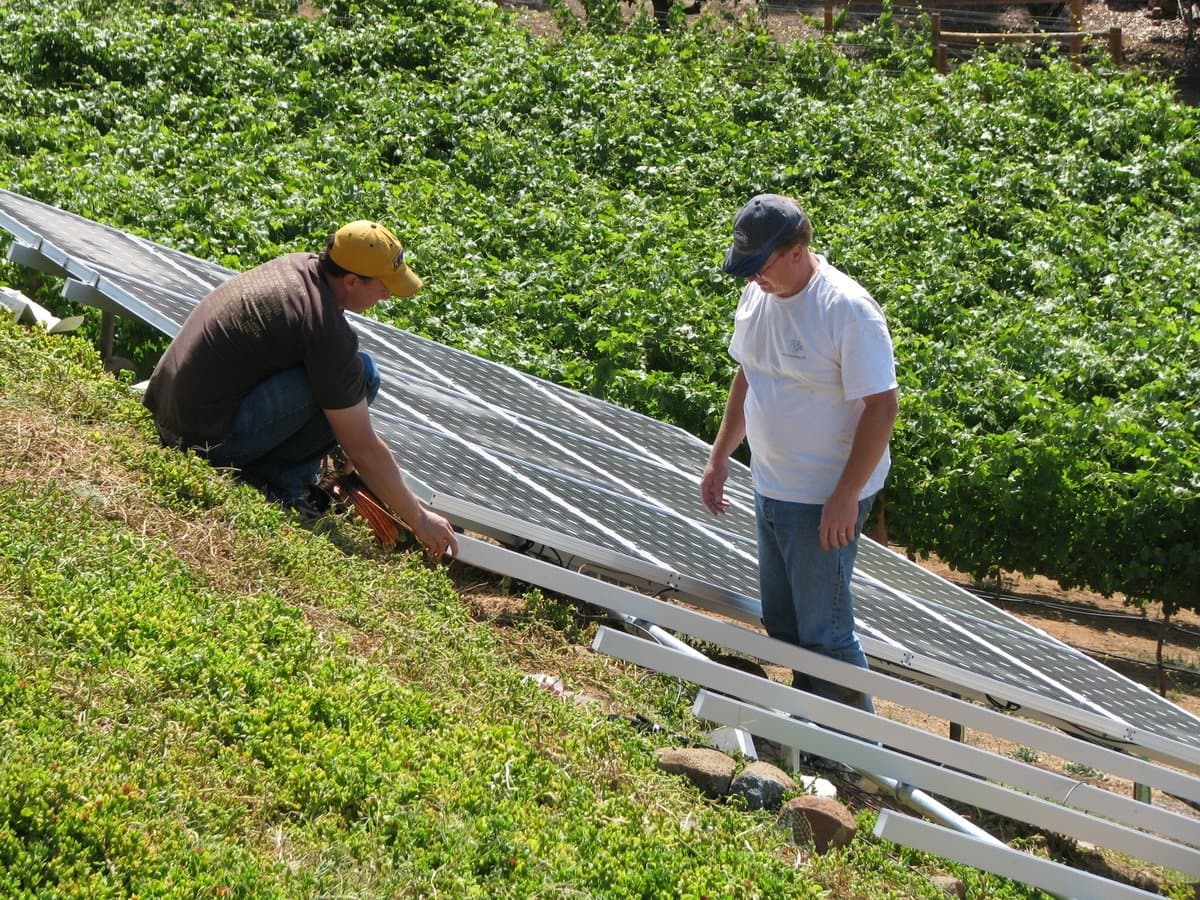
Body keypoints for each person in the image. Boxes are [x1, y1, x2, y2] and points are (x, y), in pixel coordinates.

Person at [143, 220, 459, 561]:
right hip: (203, 442)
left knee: (346, 378)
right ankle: (280, 485)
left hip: (170, 412)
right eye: (385, 286)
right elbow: (362, 448)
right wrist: (419, 519)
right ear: (352, 281)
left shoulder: (298, 267)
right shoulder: (324, 328)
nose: (387, 295)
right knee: (362, 376)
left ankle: (274, 472)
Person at [700, 194, 898, 714]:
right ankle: (811, 730)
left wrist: (846, 495)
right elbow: (748, 373)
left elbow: (882, 407)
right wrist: (721, 456)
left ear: (796, 251)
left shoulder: (846, 310)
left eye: (760, 266)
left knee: (825, 635)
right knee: (785, 625)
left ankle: (859, 745)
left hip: (822, 501)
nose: (752, 278)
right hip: (770, 488)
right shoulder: (757, 296)